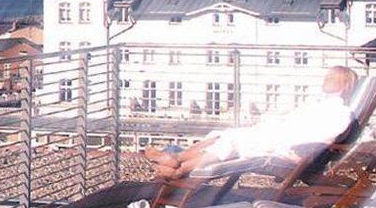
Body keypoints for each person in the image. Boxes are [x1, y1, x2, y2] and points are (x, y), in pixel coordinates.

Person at [144, 65, 359, 183]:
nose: (325, 79)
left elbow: (325, 140)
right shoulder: (319, 103)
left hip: (284, 147)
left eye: (332, 77)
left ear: (344, 84)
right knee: (224, 134)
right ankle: (178, 161)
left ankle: (180, 167)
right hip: (275, 136)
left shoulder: (341, 112)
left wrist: (297, 153)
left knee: (233, 140)